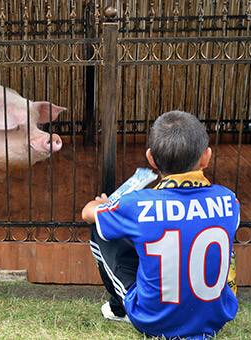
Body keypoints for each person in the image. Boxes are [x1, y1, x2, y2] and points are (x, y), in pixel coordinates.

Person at [81, 110, 239, 339]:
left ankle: (119, 308)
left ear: (151, 158)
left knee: (100, 226)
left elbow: (87, 212)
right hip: (216, 319)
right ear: (206, 157)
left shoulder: (136, 204)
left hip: (153, 322)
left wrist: (105, 204)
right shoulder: (228, 199)